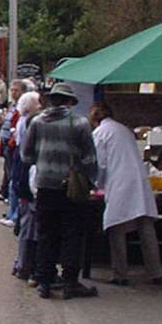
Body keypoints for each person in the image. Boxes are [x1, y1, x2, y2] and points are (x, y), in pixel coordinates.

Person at [20, 82, 99, 300]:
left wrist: (44, 161)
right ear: (69, 102)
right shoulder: (80, 123)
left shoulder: (37, 122)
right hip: (70, 188)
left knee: (47, 234)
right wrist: (89, 181)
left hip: (45, 185)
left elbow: (26, 155)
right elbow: (90, 159)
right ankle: (70, 282)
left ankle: (45, 282)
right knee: (72, 235)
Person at [88, 100, 162, 287]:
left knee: (116, 226)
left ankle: (120, 273)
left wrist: (95, 184)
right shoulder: (124, 129)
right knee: (145, 226)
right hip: (138, 179)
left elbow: (100, 164)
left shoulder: (100, 133)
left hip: (119, 181)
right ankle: (155, 271)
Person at [10, 91, 43, 281]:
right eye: (38, 103)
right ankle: (25, 267)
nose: (41, 105)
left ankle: (22, 265)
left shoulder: (26, 123)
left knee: (27, 229)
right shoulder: (30, 128)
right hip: (28, 188)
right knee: (30, 230)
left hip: (23, 184)